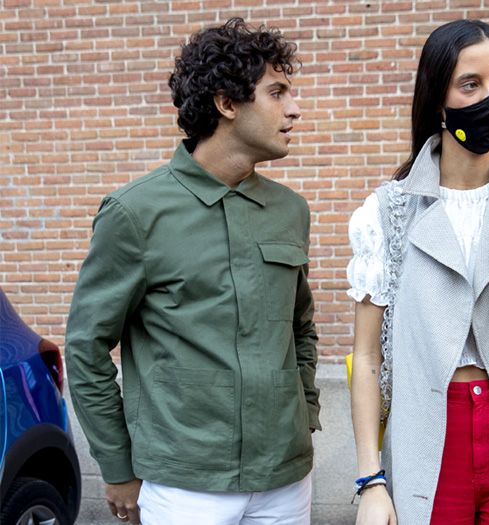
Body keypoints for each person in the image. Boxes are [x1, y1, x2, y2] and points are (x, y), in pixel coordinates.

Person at [65, 18, 320, 525]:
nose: (295, 108)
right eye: (277, 92)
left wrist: (305, 413)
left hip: (285, 480)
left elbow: (300, 327)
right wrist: (117, 467)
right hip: (185, 488)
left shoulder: (290, 209)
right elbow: (86, 348)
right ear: (227, 104)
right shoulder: (134, 213)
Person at [347, 19, 489, 525]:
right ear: (438, 98)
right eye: (470, 84)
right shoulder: (388, 211)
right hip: (428, 432)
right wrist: (370, 480)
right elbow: (364, 355)